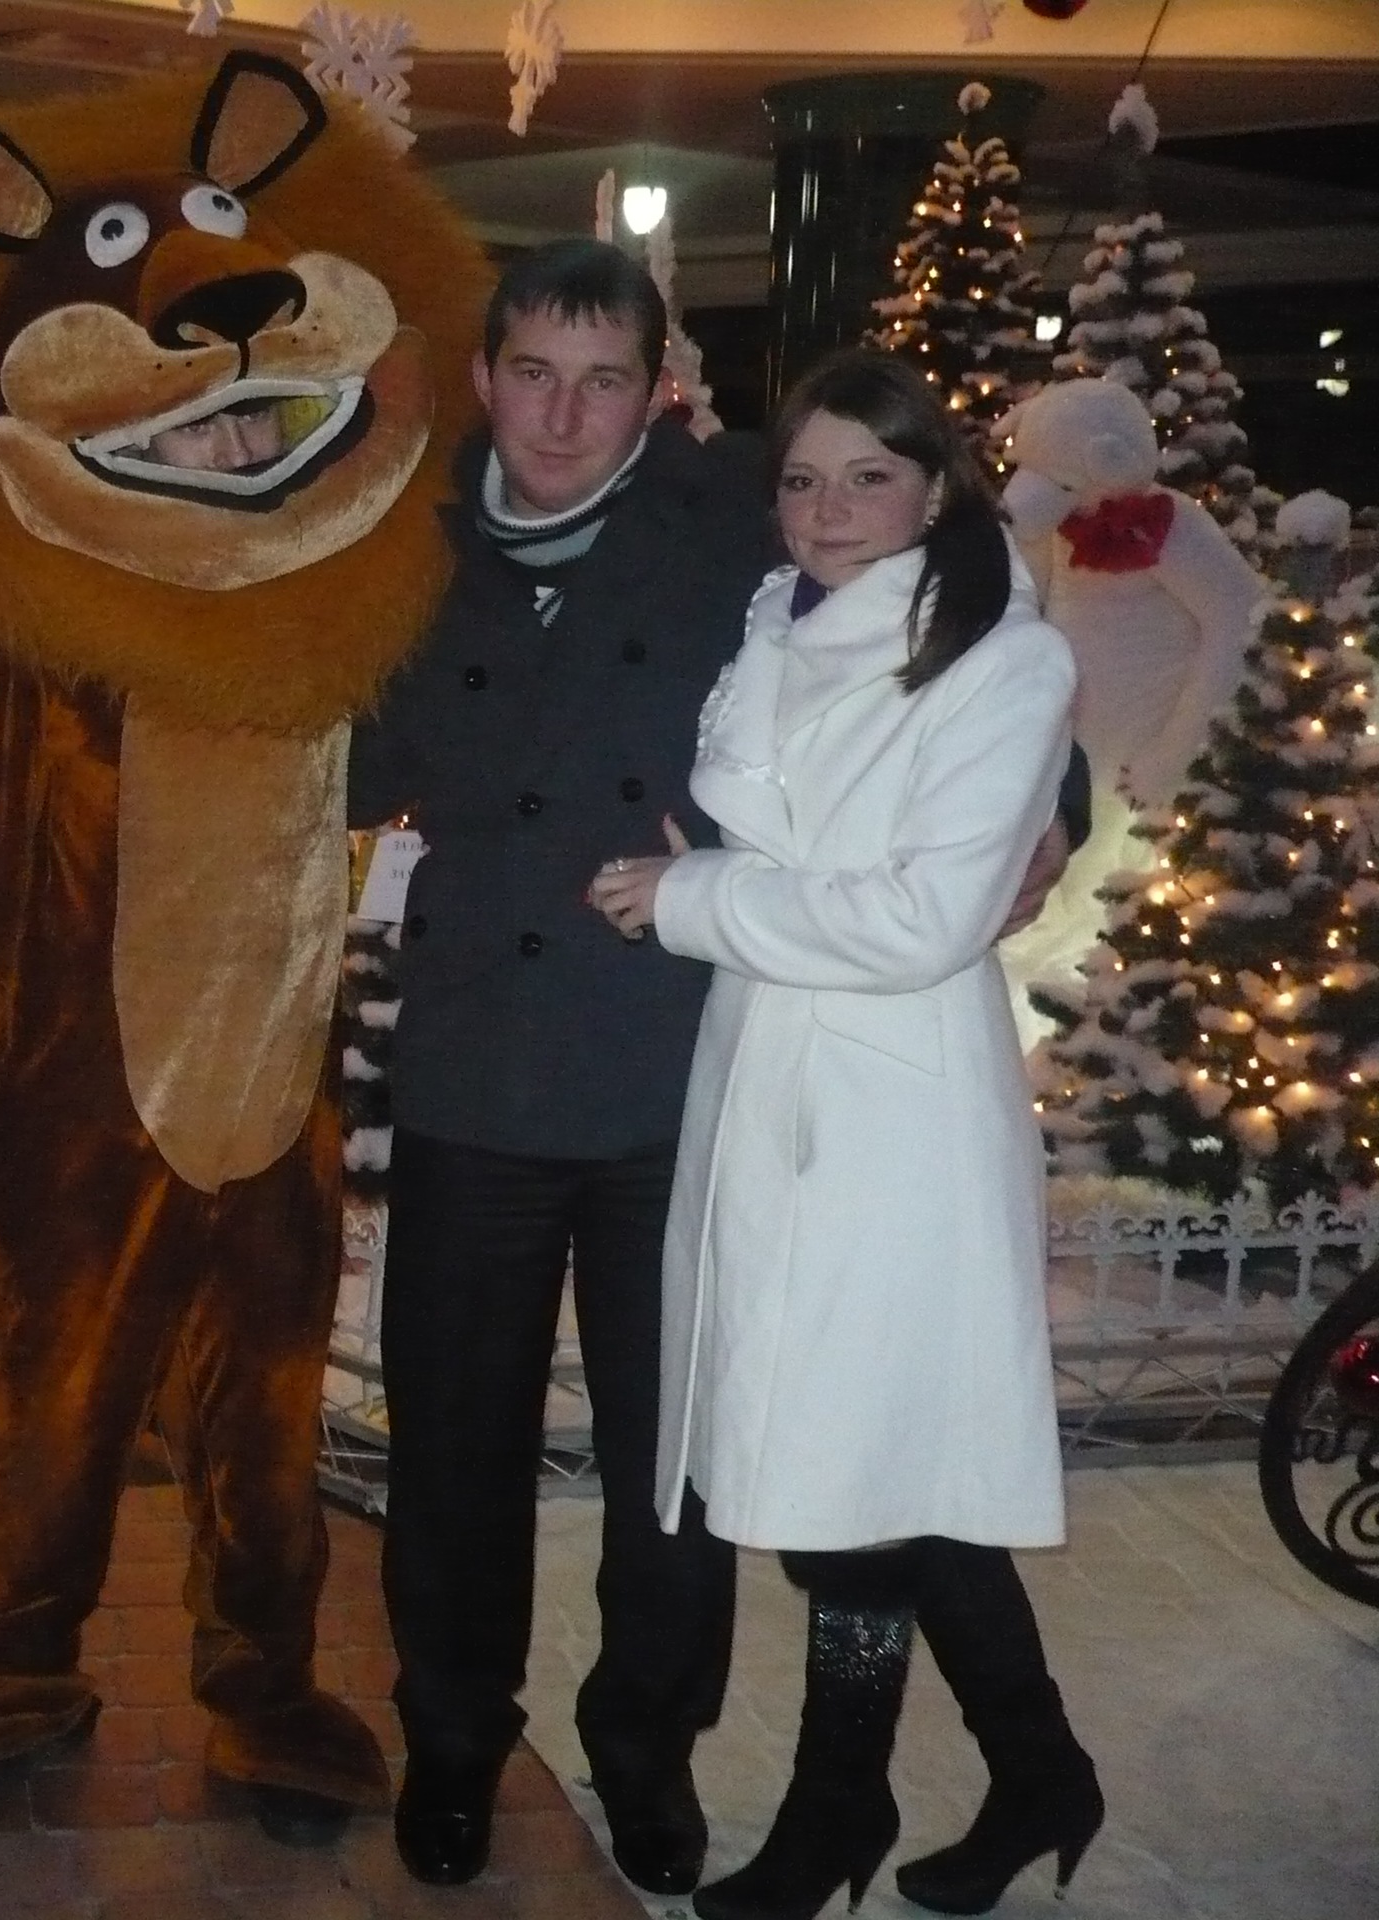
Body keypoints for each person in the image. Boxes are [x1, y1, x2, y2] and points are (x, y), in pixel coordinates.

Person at [352, 243, 1082, 1896]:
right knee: (452, 1444)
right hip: (478, 1054)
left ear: (657, 390)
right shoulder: (398, 542)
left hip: (678, 1064)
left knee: (665, 1458)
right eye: (534, 375)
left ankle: (644, 1749)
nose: (563, 415)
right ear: (482, 379)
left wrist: (1057, 808)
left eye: (603, 380)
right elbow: (311, 733)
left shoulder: (741, 513)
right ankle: (453, 1742)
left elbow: (956, 621)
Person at [590, 350, 1102, 1920]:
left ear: (935, 490)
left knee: (858, 1485)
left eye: (869, 477)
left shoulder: (1001, 661)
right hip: (768, 1080)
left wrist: (695, 894)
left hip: (895, 1113)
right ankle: (1037, 1772)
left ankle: (837, 1810)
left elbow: (926, 918)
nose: (829, 510)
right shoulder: (776, 621)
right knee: (882, 1464)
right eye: (804, 480)